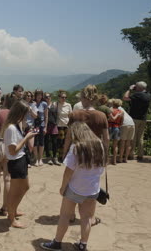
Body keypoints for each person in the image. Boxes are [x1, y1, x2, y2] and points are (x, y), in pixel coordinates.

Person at [40, 122, 107, 251]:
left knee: (65, 215)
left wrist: (62, 187)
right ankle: (83, 244)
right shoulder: (100, 145)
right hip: (93, 188)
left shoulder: (76, 147)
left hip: (75, 188)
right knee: (87, 217)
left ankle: (57, 243)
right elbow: (102, 169)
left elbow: (68, 172)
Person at [62, 84, 108, 226]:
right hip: (96, 153)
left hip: (77, 152)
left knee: (72, 182)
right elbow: (106, 138)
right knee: (92, 182)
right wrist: (106, 156)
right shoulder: (101, 115)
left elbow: (69, 137)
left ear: (83, 97)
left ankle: (71, 214)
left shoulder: (75, 115)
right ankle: (89, 217)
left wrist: (64, 154)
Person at [2, 100, 38, 228]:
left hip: (21, 160)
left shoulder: (16, 125)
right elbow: (13, 151)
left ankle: (14, 210)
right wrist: (27, 138)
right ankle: (11, 218)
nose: (26, 116)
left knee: (25, 187)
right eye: (25, 113)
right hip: (16, 162)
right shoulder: (11, 128)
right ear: (19, 113)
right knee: (14, 191)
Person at [123, 81, 151, 160]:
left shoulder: (137, 95)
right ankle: (140, 154)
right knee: (140, 137)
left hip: (135, 118)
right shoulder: (148, 95)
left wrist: (129, 89)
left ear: (139, 88)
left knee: (133, 137)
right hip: (143, 119)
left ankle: (131, 154)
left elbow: (125, 97)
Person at [33, 89, 48, 166]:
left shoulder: (44, 104)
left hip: (41, 125)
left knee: (41, 142)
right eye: (37, 94)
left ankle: (40, 159)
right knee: (35, 142)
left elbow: (46, 116)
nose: (39, 96)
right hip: (34, 125)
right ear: (35, 95)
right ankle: (36, 159)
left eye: (40, 95)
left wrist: (45, 127)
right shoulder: (33, 103)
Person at [45, 92, 60, 165]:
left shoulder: (55, 105)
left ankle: (55, 157)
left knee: (54, 142)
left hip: (53, 125)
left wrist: (56, 123)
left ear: (50, 97)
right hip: (46, 126)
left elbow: (57, 115)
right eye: (46, 97)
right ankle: (48, 157)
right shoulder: (44, 105)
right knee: (47, 142)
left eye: (48, 97)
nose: (47, 98)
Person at [56, 91, 72, 163]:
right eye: (62, 97)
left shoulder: (68, 105)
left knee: (68, 142)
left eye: (65, 97)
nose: (64, 98)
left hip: (67, 125)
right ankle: (61, 157)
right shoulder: (56, 104)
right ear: (59, 97)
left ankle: (66, 157)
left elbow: (70, 115)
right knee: (60, 142)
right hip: (59, 126)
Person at [108, 99, 123, 165]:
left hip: (110, 127)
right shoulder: (121, 112)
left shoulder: (110, 110)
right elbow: (121, 122)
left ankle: (106, 160)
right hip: (117, 127)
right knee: (115, 145)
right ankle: (114, 161)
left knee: (107, 144)